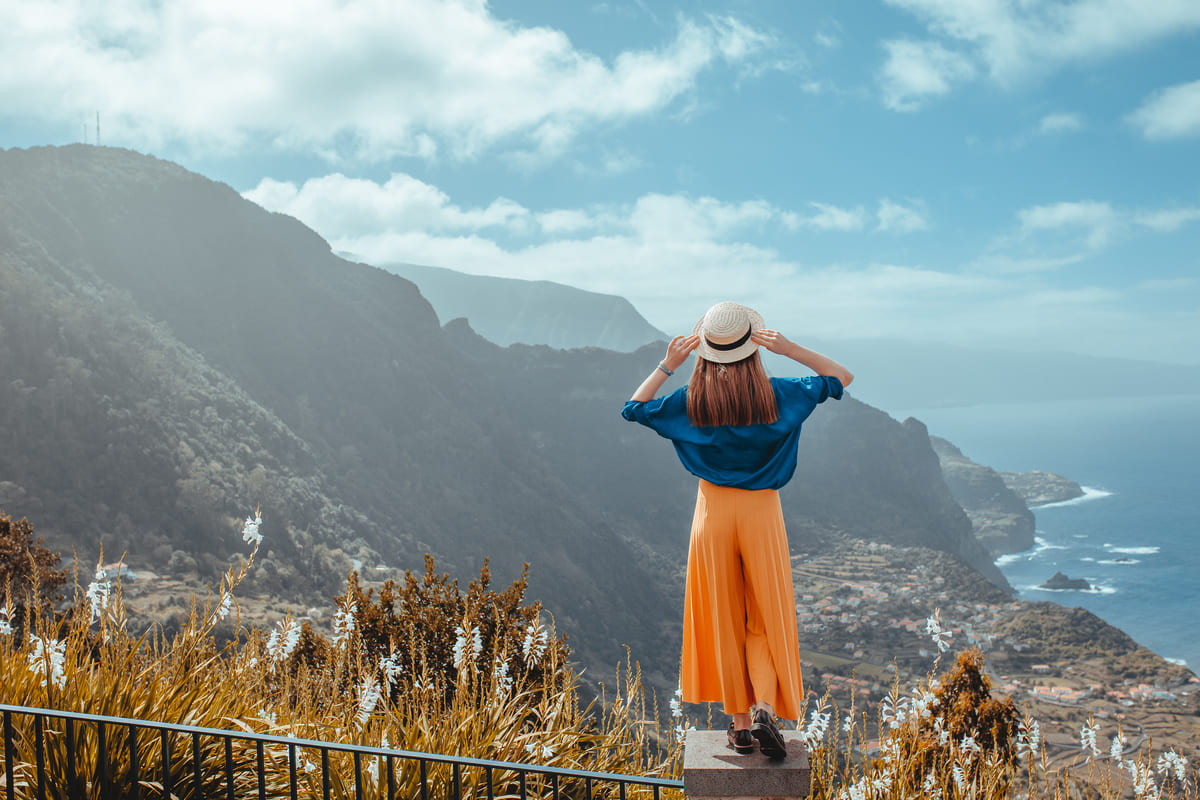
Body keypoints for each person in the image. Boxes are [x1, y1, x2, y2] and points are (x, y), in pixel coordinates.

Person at [621, 301, 853, 758]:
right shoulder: (778, 395)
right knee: (764, 616)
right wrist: (788, 348)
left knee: (724, 615)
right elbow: (840, 375)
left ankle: (741, 727)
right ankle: (765, 706)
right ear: (753, 347)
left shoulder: (691, 402)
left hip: (712, 515)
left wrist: (669, 365)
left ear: (706, 349)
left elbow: (634, 408)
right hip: (762, 513)